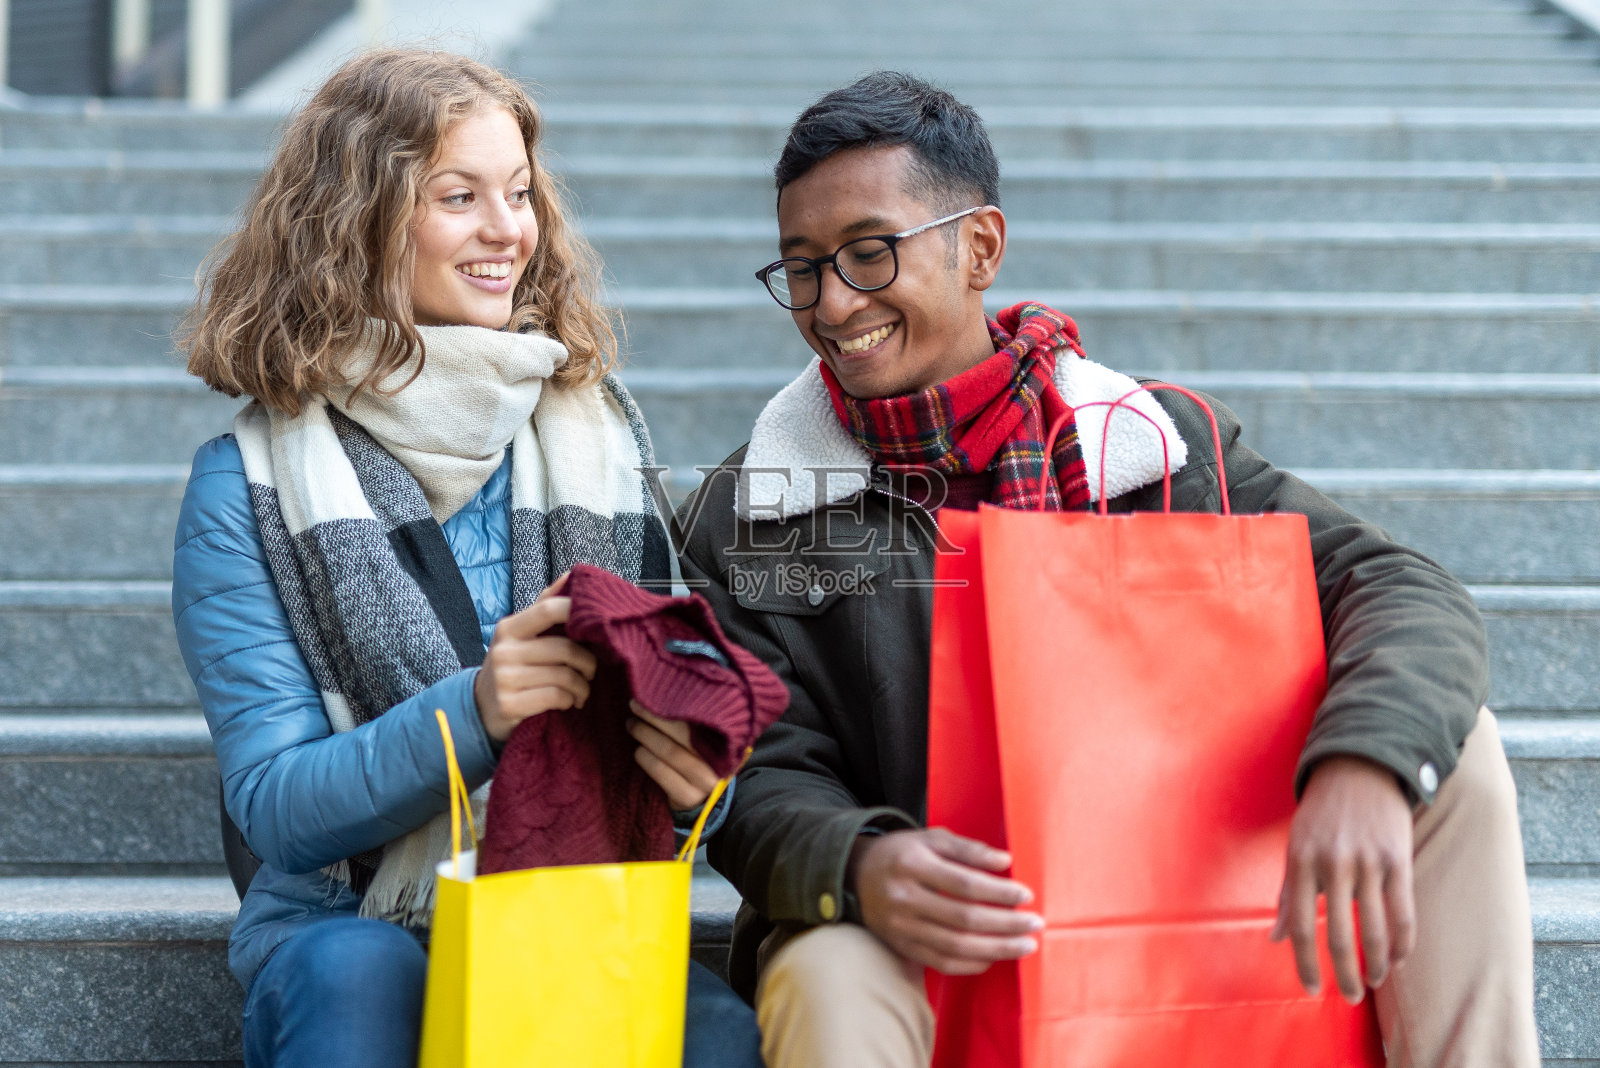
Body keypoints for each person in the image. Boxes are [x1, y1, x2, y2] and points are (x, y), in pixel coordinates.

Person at [676, 71, 1539, 1068]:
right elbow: (751, 771)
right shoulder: (746, 514)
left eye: (869, 255)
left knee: (1452, 753)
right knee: (825, 969)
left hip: (1172, 870)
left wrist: (1365, 765)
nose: (831, 303)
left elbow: (1400, 589)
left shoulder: (1153, 446)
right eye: (801, 268)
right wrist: (859, 863)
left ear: (980, 247)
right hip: (919, 918)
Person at [171, 49, 762, 1068]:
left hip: (569, 913)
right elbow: (273, 806)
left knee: (719, 1039)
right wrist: (483, 713)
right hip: (348, 921)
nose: (508, 231)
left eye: (520, 193)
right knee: (358, 978)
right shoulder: (248, 485)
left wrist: (690, 782)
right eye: (459, 196)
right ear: (357, 219)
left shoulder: (599, 441)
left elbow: (682, 774)